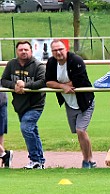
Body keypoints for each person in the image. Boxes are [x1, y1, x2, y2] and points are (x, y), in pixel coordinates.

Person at [45, 39, 96, 169]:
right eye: (55, 50)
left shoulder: (76, 60)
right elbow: (48, 82)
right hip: (69, 103)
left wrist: (63, 86)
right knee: (79, 133)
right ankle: (90, 160)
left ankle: (87, 160)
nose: (58, 52)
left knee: (81, 130)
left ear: (66, 49)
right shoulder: (51, 63)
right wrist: (62, 86)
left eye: (60, 49)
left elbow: (80, 81)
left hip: (85, 101)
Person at [1, 40, 46, 169]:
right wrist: (14, 85)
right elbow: (3, 80)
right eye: (21, 50)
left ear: (31, 51)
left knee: (26, 128)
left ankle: (35, 160)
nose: (23, 52)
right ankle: (39, 161)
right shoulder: (11, 64)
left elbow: (43, 82)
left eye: (26, 49)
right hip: (20, 105)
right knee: (32, 131)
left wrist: (25, 85)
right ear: (17, 51)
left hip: (35, 104)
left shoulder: (38, 65)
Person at [0, 92, 13, 168]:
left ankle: (4, 154)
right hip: (2, 100)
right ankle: (4, 155)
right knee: (0, 132)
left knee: (0, 132)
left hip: (1, 100)